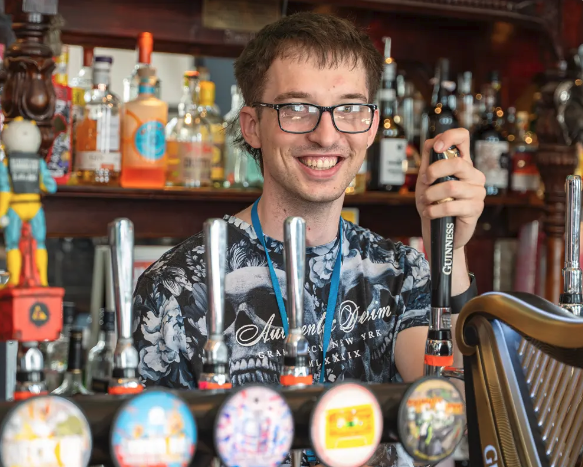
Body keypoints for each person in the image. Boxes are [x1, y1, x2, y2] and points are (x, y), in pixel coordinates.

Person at [132, 11, 486, 466]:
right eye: (296, 108)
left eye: (349, 109)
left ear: (373, 125)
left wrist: (449, 252)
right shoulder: (180, 286)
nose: (326, 134)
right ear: (252, 126)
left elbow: (456, 406)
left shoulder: (399, 272)